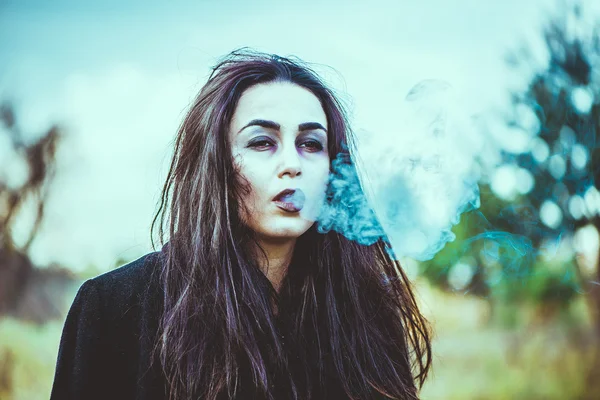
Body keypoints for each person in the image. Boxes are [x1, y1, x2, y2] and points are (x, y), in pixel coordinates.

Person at [50, 48, 433, 400]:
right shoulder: (116, 307)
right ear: (216, 163)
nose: (292, 164)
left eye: (312, 144)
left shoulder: (364, 310)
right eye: (262, 142)